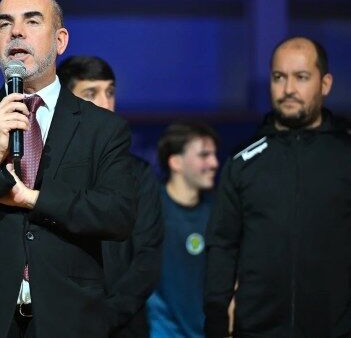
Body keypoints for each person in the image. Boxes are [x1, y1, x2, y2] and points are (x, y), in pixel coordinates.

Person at [0, 0, 139, 338]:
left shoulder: (102, 128)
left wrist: (34, 199)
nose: (17, 32)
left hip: (70, 319)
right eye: (4, 24)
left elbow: (118, 215)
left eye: (32, 21)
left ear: (60, 40)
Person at [204, 36, 351, 337]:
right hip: (256, 330)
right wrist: (217, 317)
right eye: (278, 77)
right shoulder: (243, 160)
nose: (288, 89)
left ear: (325, 84)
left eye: (301, 77)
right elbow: (222, 245)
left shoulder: (346, 156)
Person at [57, 55, 163, 338]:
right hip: (60, 323)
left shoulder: (139, 174)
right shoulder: (44, 173)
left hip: (123, 326)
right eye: (91, 93)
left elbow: (148, 259)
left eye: (110, 92)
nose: (105, 103)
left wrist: (106, 316)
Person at [146, 122, 219, 337]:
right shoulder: (147, 210)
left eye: (214, 155)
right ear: (176, 162)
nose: (214, 163)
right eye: (204, 155)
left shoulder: (217, 213)